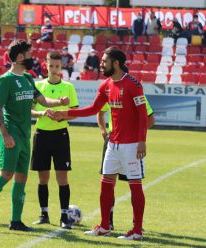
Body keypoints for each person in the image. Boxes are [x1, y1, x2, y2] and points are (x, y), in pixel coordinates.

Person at [0, 39, 70, 233]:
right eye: (30, 54)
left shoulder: (28, 79)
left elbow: (42, 100)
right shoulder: (5, 79)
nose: (33, 58)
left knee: (22, 177)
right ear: (21, 57)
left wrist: (59, 101)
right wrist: (5, 134)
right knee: (7, 173)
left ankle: (16, 221)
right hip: (11, 133)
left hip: (25, 135)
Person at [51, 47, 148, 240]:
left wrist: (141, 141)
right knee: (105, 185)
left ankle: (137, 230)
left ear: (116, 63)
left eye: (104, 61)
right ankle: (104, 226)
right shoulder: (105, 85)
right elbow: (93, 108)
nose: (101, 64)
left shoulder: (133, 85)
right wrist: (66, 114)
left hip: (131, 146)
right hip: (113, 144)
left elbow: (143, 114)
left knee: (135, 186)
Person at [30, 51, 79, 229]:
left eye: (57, 66)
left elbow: (75, 112)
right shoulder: (38, 85)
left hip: (60, 136)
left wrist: (62, 117)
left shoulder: (68, 87)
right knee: (42, 177)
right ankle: (44, 214)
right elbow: (30, 110)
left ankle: (64, 216)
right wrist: (42, 113)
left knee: (62, 177)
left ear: (61, 67)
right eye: (51, 66)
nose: (54, 69)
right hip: (41, 135)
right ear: (46, 65)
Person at [97, 97, 155, 231]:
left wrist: (135, 133)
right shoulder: (110, 92)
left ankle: (137, 225)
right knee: (108, 183)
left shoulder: (136, 93)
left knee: (134, 184)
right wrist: (103, 131)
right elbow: (99, 112)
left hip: (130, 144)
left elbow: (151, 119)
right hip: (112, 141)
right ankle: (107, 222)